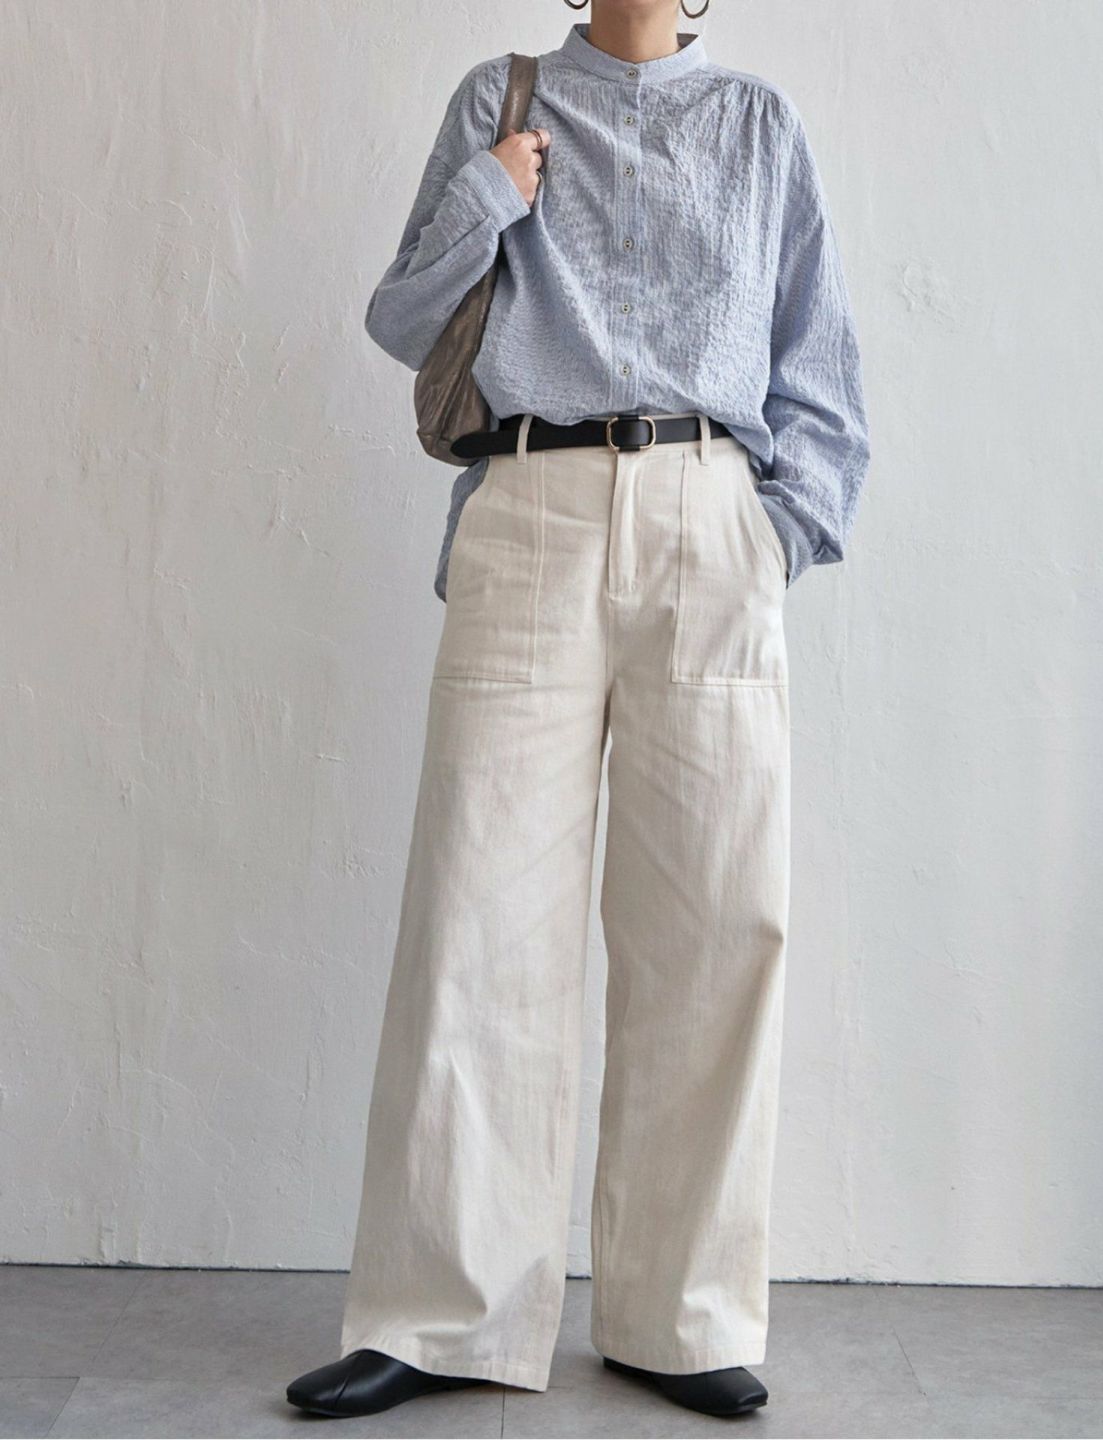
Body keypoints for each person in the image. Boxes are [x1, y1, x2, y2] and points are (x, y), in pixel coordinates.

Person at [287, 0, 869, 1420]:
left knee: (718, 924)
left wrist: (774, 533)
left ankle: (681, 1316)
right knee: (477, 916)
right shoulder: (500, 96)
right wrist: (497, 191)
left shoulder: (759, 126)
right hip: (530, 507)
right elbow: (402, 318)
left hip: (710, 525)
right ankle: (443, 1317)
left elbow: (821, 373)